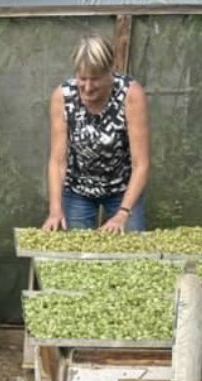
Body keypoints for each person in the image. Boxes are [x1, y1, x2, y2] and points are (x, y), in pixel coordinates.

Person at [41, 34, 150, 233]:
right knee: (77, 254)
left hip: (122, 189)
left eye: (95, 79)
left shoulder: (131, 95)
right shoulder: (63, 97)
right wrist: (55, 209)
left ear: (110, 71)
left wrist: (123, 213)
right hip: (77, 190)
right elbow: (58, 161)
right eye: (82, 79)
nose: (88, 87)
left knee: (131, 251)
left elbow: (140, 164)